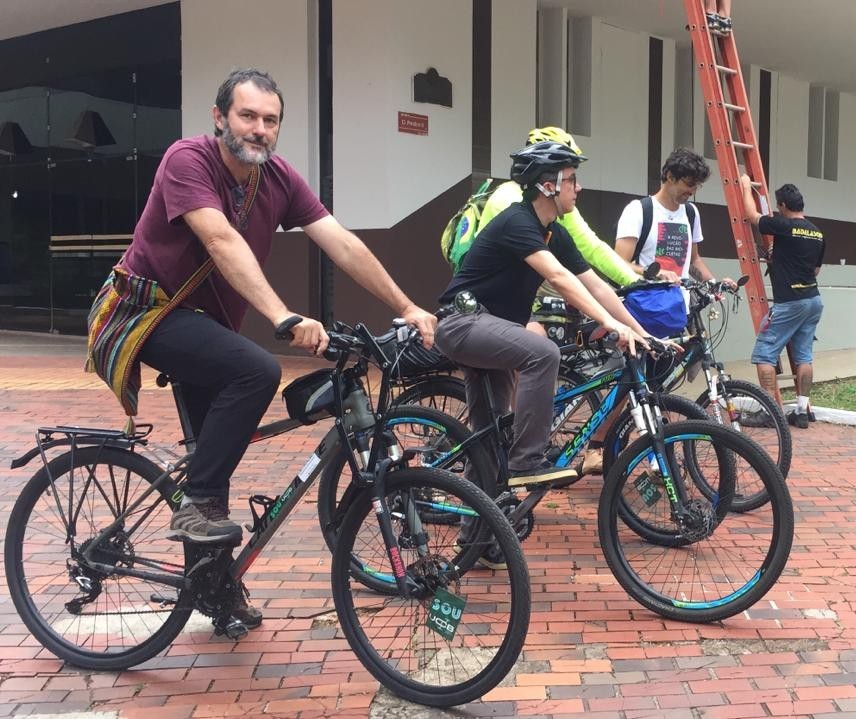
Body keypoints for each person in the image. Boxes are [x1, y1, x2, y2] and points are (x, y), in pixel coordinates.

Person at [115, 68, 436, 623]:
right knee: (257, 372)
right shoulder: (187, 160)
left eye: (271, 120)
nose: (260, 129)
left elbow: (340, 242)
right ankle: (198, 505)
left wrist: (405, 305)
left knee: (212, 460)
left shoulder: (278, 178)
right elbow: (219, 238)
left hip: (207, 328)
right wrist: (283, 315)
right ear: (220, 118)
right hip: (150, 315)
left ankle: (212, 588)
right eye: (248, 116)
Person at [435, 140, 647, 496]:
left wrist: (642, 331)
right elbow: (561, 279)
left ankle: (477, 540)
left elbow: (596, 285)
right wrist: (611, 325)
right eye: (572, 180)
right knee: (543, 352)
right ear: (548, 185)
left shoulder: (555, 233)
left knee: (488, 439)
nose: (578, 188)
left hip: (492, 329)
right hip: (462, 323)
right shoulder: (518, 221)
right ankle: (528, 462)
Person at [739, 175, 825, 429]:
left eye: (779, 207)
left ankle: (769, 412)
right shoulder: (817, 233)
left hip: (790, 303)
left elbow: (752, 216)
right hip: (813, 300)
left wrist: (745, 187)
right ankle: (800, 411)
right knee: (804, 357)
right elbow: (816, 270)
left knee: (765, 353)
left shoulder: (783, 225)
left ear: (784, 206)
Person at [615, 147, 735, 291]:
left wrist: (714, 284)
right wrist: (654, 272)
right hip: (644, 304)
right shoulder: (638, 210)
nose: (693, 191)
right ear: (670, 177)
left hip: (679, 304)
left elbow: (693, 260)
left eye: (697, 186)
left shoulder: (691, 213)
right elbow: (618, 264)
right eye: (690, 184)